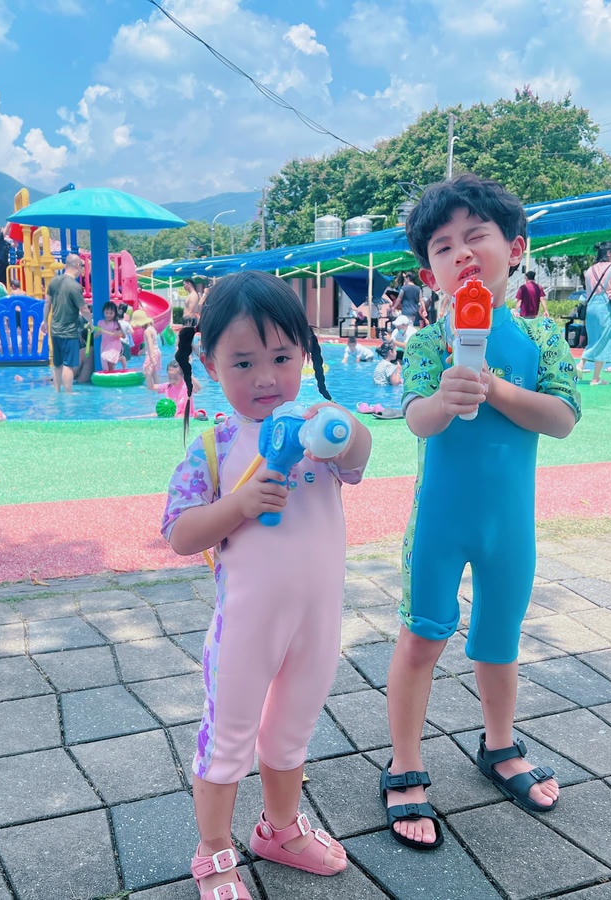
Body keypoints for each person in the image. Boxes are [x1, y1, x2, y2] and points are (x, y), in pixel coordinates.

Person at [383, 174, 580, 850]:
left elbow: (560, 419)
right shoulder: (427, 343)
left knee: (499, 638)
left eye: (476, 237)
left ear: (515, 246)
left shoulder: (543, 338)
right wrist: (449, 396)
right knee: (421, 639)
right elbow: (417, 420)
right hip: (438, 523)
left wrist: (495, 387)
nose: (461, 253)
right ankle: (405, 760)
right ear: (426, 271)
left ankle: (499, 745)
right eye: (443, 246)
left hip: (509, 528)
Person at [162, 270, 371, 900]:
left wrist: (343, 423)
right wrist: (242, 502)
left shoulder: (318, 436)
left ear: (305, 355)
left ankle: (278, 829)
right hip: (247, 627)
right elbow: (180, 534)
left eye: (282, 358)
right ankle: (213, 850)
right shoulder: (214, 445)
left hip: (318, 618)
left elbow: (361, 458)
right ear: (209, 362)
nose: (264, 378)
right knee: (228, 735)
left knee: (291, 730)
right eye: (244, 362)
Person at [580, 241, 611, 384]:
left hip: (591, 307)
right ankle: (581, 365)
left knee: (594, 338)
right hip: (606, 308)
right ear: (609, 253)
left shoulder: (590, 270)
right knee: (604, 340)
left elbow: (588, 293)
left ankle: (596, 377)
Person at [44, 254, 86, 392]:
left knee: (57, 364)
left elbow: (47, 303)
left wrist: (45, 322)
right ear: (77, 266)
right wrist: (91, 323)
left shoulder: (53, 282)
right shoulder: (75, 286)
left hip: (54, 330)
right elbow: (83, 309)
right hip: (69, 332)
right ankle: (68, 393)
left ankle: (57, 391)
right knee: (68, 365)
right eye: (81, 266)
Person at [95, 300, 125, 372]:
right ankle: (111, 374)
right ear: (104, 312)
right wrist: (97, 333)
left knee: (107, 357)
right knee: (107, 365)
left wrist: (118, 333)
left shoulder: (115, 324)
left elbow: (123, 335)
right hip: (105, 345)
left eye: (111, 313)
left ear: (115, 313)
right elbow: (96, 336)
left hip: (114, 345)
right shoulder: (100, 323)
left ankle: (120, 358)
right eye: (106, 313)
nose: (108, 315)